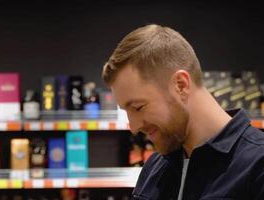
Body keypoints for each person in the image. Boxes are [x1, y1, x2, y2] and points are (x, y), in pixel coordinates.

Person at [102, 24, 264, 200]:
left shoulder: (258, 166)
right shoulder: (155, 166)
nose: (133, 127)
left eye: (138, 107)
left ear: (181, 85)